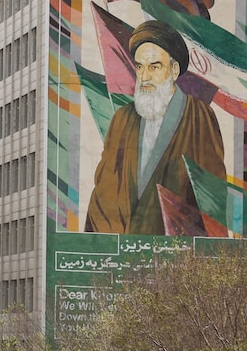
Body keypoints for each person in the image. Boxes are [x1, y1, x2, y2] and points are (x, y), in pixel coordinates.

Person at [84, 19, 227, 236]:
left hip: (177, 248)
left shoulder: (199, 117)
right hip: (124, 246)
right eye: (139, 67)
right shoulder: (122, 119)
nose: (144, 76)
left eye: (154, 66)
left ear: (174, 70)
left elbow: (213, 198)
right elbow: (103, 192)